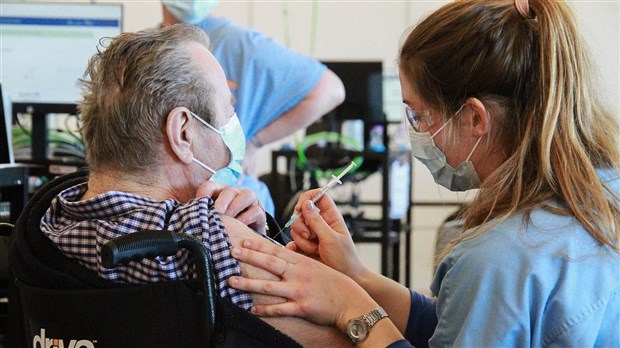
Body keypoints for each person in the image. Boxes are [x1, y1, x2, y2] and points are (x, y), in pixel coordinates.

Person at [227, 0, 620, 347]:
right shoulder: (601, 196)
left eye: (417, 115)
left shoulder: (498, 259)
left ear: (474, 118)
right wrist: (355, 276)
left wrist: (349, 306)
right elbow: (458, 322)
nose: (414, 133)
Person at [35, 24, 349, 346]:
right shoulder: (210, 243)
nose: (232, 123)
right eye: (227, 108)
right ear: (183, 133)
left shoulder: (44, 223)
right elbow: (364, 336)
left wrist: (260, 235)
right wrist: (335, 279)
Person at [161, 0, 346, 216]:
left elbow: (330, 89)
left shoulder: (241, 45)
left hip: (231, 205)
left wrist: (255, 142)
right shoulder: (146, 50)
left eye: (231, 106)